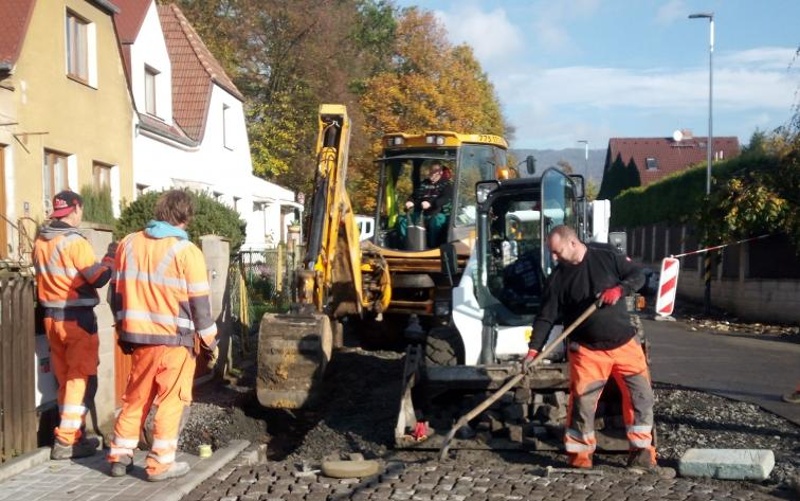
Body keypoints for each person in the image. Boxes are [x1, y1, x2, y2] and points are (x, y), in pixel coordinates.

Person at [523, 225, 657, 472]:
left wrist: (620, 289)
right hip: (587, 351)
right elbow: (545, 318)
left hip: (625, 345)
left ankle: (641, 457)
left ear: (573, 243)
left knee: (641, 398)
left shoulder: (605, 255)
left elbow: (638, 275)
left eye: (557, 251)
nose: (554, 257)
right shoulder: (558, 280)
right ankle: (580, 460)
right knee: (583, 406)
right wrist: (533, 351)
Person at [106, 190, 218, 481]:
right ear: (186, 217)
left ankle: (120, 455)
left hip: (139, 338)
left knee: (136, 396)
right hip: (174, 341)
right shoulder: (187, 252)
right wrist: (210, 342)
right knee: (171, 400)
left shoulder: (128, 244)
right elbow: (201, 308)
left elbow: (114, 295)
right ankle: (160, 464)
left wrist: (123, 330)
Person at [32, 190, 115, 460]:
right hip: (76, 320)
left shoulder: (41, 241)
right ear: (76, 208)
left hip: (51, 319)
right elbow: (97, 278)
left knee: (65, 378)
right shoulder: (74, 242)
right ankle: (67, 442)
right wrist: (110, 260)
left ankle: (74, 435)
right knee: (81, 379)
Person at [404, 162, 453, 248]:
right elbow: (414, 196)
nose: (430, 173)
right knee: (402, 220)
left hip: (439, 214)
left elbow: (445, 199)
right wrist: (410, 201)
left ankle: (432, 246)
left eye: (433, 171)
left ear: (440, 172)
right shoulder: (424, 183)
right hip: (421, 214)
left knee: (435, 221)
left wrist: (430, 203)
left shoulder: (446, 185)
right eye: (430, 170)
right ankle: (405, 245)